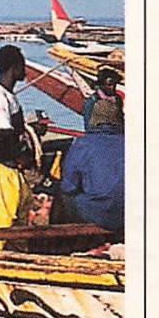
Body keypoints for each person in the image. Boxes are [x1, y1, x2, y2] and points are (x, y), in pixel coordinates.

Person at [56, 98, 124, 236]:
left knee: (61, 196)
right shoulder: (135, 143)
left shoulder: (82, 144)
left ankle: (59, 243)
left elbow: (68, 187)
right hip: (130, 211)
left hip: (96, 213)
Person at [80, 65, 123, 131]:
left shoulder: (117, 99)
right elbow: (89, 127)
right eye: (109, 84)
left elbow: (121, 121)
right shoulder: (92, 101)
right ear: (101, 84)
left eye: (114, 84)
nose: (112, 87)